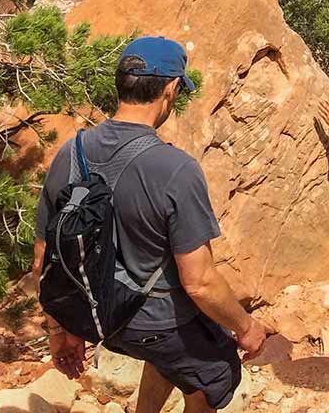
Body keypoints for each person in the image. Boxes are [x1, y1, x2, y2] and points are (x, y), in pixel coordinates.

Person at [35, 38, 273, 413]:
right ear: (170, 88)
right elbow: (200, 282)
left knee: (171, 353)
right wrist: (246, 328)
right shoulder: (174, 168)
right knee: (213, 375)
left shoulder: (71, 152)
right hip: (150, 322)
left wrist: (59, 331)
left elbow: (43, 261)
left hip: (97, 317)